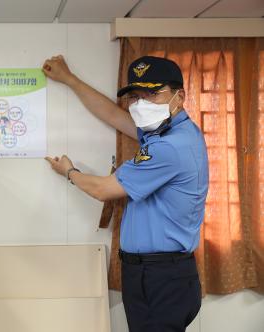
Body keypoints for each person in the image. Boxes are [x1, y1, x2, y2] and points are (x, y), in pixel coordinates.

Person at [42, 55, 208, 332]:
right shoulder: (167, 132)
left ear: (179, 96)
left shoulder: (169, 147)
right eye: (136, 96)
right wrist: (69, 80)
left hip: (161, 276)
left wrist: (69, 172)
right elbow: (112, 115)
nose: (142, 104)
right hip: (153, 273)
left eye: (152, 94)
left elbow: (102, 189)